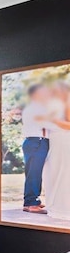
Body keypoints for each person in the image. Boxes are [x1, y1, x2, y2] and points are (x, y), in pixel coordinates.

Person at [20, 84, 54, 214]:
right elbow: (47, 123)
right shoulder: (34, 108)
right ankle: (30, 203)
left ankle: (33, 201)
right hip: (36, 142)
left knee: (35, 172)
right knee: (34, 173)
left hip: (37, 142)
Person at [40, 81, 70, 220]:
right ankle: (57, 204)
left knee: (62, 172)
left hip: (63, 140)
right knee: (55, 171)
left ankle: (62, 206)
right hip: (57, 140)